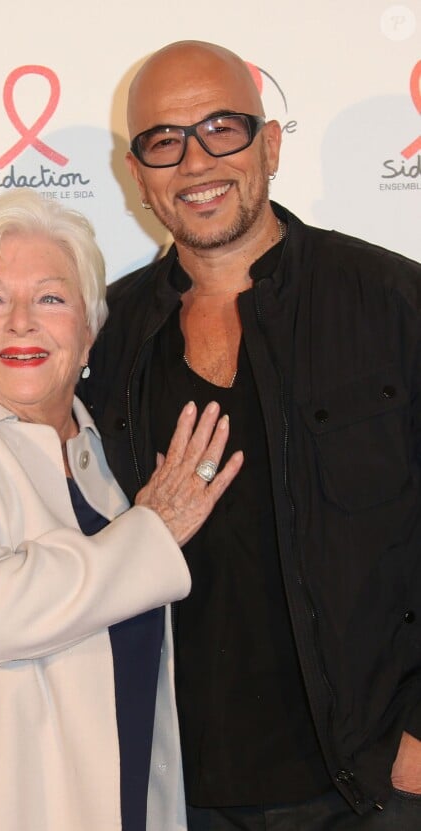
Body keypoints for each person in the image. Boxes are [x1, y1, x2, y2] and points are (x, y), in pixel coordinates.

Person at [77, 40, 421, 830]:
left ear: (269, 143)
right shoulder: (107, 333)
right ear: (138, 175)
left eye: (222, 128)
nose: (196, 160)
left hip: (372, 785)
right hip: (176, 785)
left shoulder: (393, 303)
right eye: (165, 140)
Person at [0, 189, 243, 831]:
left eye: (51, 298)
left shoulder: (108, 465)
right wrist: (154, 531)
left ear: (88, 333)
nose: (21, 321)